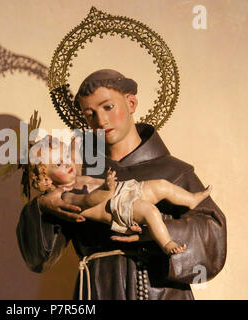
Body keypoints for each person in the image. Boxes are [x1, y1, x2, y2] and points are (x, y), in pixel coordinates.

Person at [16, 69, 227, 300]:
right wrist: (42, 206)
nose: (101, 120)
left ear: (131, 103)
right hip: (99, 289)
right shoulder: (77, 175)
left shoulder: (174, 171)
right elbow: (38, 259)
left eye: (108, 107)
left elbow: (213, 235)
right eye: (90, 113)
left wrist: (158, 233)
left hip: (162, 292)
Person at [27, 136, 212, 255]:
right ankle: (167, 243)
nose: (67, 163)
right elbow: (88, 201)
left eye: (66, 158)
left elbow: (74, 154)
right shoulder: (66, 197)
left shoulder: (76, 173)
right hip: (117, 208)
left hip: (124, 190)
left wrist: (75, 143)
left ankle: (191, 199)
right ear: (46, 181)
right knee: (150, 211)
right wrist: (106, 188)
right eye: (58, 164)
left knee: (162, 186)